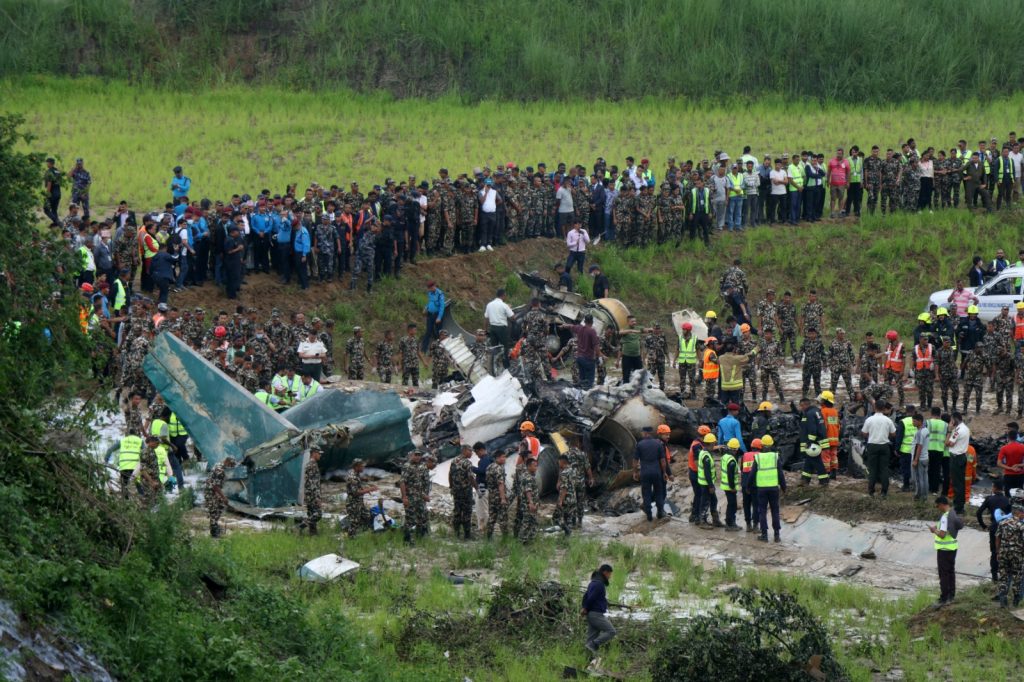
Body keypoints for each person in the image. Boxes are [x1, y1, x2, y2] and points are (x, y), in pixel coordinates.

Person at [749, 434, 786, 542]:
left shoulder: (758, 457)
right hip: (774, 488)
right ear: (771, 445)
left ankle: (764, 535)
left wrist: (748, 486)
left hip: (761, 489)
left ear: (761, 445)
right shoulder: (775, 456)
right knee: (775, 511)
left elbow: (752, 474)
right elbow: (780, 473)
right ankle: (777, 535)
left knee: (762, 511)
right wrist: (784, 486)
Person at [977, 479, 1011, 583]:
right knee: (1005, 551)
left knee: (994, 552)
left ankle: (994, 577)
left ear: (995, 488)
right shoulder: (1007, 500)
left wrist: (983, 526)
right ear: (1003, 488)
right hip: (1005, 528)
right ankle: (1005, 575)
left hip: (994, 528)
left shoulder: (989, 499)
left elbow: (979, 513)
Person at [929, 496, 961, 605]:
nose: (937, 508)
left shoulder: (944, 517)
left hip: (944, 550)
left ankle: (944, 598)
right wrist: (937, 527)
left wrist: (934, 530)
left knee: (943, 574)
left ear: (942, 504)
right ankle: (951, 596)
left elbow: (942, 535)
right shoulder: (952, 513)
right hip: (953, 548)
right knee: (951, 571)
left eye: (937, 506)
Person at [861, 400, 896, 498]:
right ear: (884, 408)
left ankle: (871, 491)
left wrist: (870, 435)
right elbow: (893, 434)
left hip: (872, 446)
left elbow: (864, 433)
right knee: (884, 469)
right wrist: (886, 435)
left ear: (874, 407)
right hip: (884, 446)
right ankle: (884, 492)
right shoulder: (888, 420)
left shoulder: (869, 419)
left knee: (872, 469)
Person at [581, 564, 616, 659]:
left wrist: (584, 607)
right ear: (605, 572)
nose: (610, 577)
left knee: (591, 637)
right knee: (611, 631)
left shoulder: (593, 582)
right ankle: (593, 644)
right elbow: (591, 598)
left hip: (591, 614)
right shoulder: (599, 584)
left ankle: (588, 660)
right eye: (609, 574)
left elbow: (585, 596)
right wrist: (585, 608)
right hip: (596, 614)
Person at [633, 426, 668, 521]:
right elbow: (663, 461)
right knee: (658, 492)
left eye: (642, 432)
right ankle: (660, 512)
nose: (641, 434)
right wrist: (664, 472)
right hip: (656, 472)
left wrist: (635, 472)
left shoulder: (640, 444)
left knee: (646, 493)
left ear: (645, 433)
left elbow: (635, 460)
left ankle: (649, 515)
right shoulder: (658, 444)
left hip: (645, 472)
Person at [995, 504, 1024, 608]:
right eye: (1023, 513)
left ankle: (1003, 600)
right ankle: (1016, 601)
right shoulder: (1021, 525)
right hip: (1017, 554)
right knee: (1017, 575)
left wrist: (998, 552)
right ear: (1018, 513)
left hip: (1003, 553)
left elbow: (997, 537)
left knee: (1003, 575)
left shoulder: (1002, 523)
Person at [400, 449, 431, 541]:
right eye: (416, 455)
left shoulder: (420, 467)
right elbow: (402, 482)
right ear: (411, 456)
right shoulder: (407, 466)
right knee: (410, 519)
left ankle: (421, 537)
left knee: (422, 517)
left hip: (419, 498)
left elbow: (420, 484)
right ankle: (408, 540)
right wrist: (404, 497)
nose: (418, 457)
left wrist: (425, 495)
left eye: (419, 455)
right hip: (410, 497)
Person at [798, 397, 828, 487]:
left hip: (813, 442)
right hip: (818, 440)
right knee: (809, 460)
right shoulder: (816, 411)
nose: (801, 408)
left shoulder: (809, 414)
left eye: (801, 406)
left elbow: (812, 429)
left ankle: (824, 480)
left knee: (816, 461)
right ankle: (805, 480)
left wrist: (810, 442)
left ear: (805, 405)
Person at [448, 444, 475, 540]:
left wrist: (451, 486)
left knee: (457, 511)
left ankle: (456, 534)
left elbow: (450, 474)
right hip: (466, 491)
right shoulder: (467, 463)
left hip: (456, 491)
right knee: (467, 511)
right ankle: (467, 535)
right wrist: (477, 488)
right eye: (470, 451)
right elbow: (471, 477)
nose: (471, 453)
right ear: (464, 450)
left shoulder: (454, 460)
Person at [204, 457, 236, 538]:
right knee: (214, 511)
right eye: (231, 465)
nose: (231, 467)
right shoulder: (220, 471)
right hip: (211, 492)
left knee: (220, 506)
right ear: (227, 462)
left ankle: (215, 525)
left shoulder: (218, 464)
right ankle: (214, 531)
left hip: (213, 490)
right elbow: (216, 486)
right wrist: (224, 497)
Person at [945, 413, 971, 514]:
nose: (950, 422)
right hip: (962, 456)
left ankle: (958, 507)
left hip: (956, 457)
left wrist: (949, 430)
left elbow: (948, 443)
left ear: (955, 419)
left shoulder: (958, 430)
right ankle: (960, 505)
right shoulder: (965, 428)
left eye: (951, 420)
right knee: (961, 482)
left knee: (957, 483)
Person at [345, 459, 377, 537]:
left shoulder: (356, 474)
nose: (363, 468)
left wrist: (365, 489)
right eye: (362, 466)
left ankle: (363, 531)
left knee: (367, 515)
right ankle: (351, 537)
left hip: (359, 502)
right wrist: (369, 489)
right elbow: (356, 492)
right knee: (354, 521)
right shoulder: (352, 477)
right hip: (353, 503)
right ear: (357, 467)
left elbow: (358, 486)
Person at [696, 433, 722, 528]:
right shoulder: (706, 456)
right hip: (706, 484)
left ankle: (715, 520)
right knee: (705, 502)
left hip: (706, 483)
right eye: (714, 444)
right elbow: (707, 472)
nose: (714, 445)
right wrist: (711, 486)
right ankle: (702, 521)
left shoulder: (704, 452)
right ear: (710, 444)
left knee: (713, 500)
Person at [484, 288, 514, 367]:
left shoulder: (489, 304)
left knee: (494, 348)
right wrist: (509, 309)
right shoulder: (504, 305)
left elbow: (486, 318)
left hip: (492, 328)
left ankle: (494, 366)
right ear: (503, 295)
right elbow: (513, 317)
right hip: (502, 329)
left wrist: (486, 330)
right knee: (505, 347)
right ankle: (506, 366)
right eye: (505, 295)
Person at [485, 450, 509, 539]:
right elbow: (500, 484)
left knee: (492, 516)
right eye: (503, 457)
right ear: (497, 458)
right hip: (498, 495)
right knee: (503, 517)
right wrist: (503, 498)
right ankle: (505, 538)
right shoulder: (498, 468)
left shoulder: (489, 467)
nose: (505, 459)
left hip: (491, 495)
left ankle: (488, 537)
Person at [517, 457, 540, 543]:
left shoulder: (528, 476)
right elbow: (528, 491)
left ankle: (529, 540)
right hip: (528, 504)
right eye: (534, 466)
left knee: (532, 522)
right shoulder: (528, 477)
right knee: (527, 522)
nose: (536, 468)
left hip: (530, 503)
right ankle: (522, 541)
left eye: (536, 466)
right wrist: (531, 503)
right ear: (529, 466)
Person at [554, 455, 578, 535]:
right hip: (573, 497)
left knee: (556, 518)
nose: (558, 464)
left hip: (566, 498)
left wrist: (561, 500)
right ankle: (567, 535)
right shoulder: (573, 470)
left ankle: (567, 530)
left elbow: (564, 488)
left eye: (559, 462)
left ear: (562, 462)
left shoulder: (564, 473)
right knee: (568, 517)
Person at [301, 445, 323, 535]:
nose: (320, 455)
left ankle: (313, 534)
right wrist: (317, 498)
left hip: (309, 494)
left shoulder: (311, 464)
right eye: (319, 453)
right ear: (314, 453)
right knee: (318, 514)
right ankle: (300, 526)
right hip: (312, 495)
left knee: (311, 513)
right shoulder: (312, 465)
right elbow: (313, 483)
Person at [720, 438, 741, 530]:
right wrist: (732, 487)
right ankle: (730, 524)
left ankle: (731, 523)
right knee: (732, 505)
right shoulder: (731, 461)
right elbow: (730, 475)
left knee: (731, 504)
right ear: (735, 449)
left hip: (725, 485)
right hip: (730, 486)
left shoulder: (725, 456)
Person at [997, 424, 1024, 491]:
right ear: (1016, 437)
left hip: (1008, 474)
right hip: (1020, 474)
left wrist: (1010, 468)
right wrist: (1019, 465)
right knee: (1019, 494)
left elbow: (999, 463)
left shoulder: (1004, 448)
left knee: (1007, 493)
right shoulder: (1022, 447)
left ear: (1008, 437)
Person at [910, 413, 930, 501]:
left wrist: (915, 460)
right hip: (925, 458)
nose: (913, 423)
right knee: (925, 478)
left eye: (914, 421)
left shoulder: (919, 432)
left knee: (919, 479)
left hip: (920, 459)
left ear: (920, 421)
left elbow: (919, 446)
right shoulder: (926, 430)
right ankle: (925, 496)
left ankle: (920, 497)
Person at [421, 280, 445, 352]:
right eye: (429, 288)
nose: (430, 290)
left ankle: (440, 349)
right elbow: (430, 302)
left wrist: (439, 317)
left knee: (439, 332)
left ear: (434, 286)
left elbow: (442, 307)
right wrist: (426, 308)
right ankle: (423, 350)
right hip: (430, 314)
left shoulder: (440, 294)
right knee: (428, 331)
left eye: (431, 288)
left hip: (437, 315)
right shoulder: (430, 293)